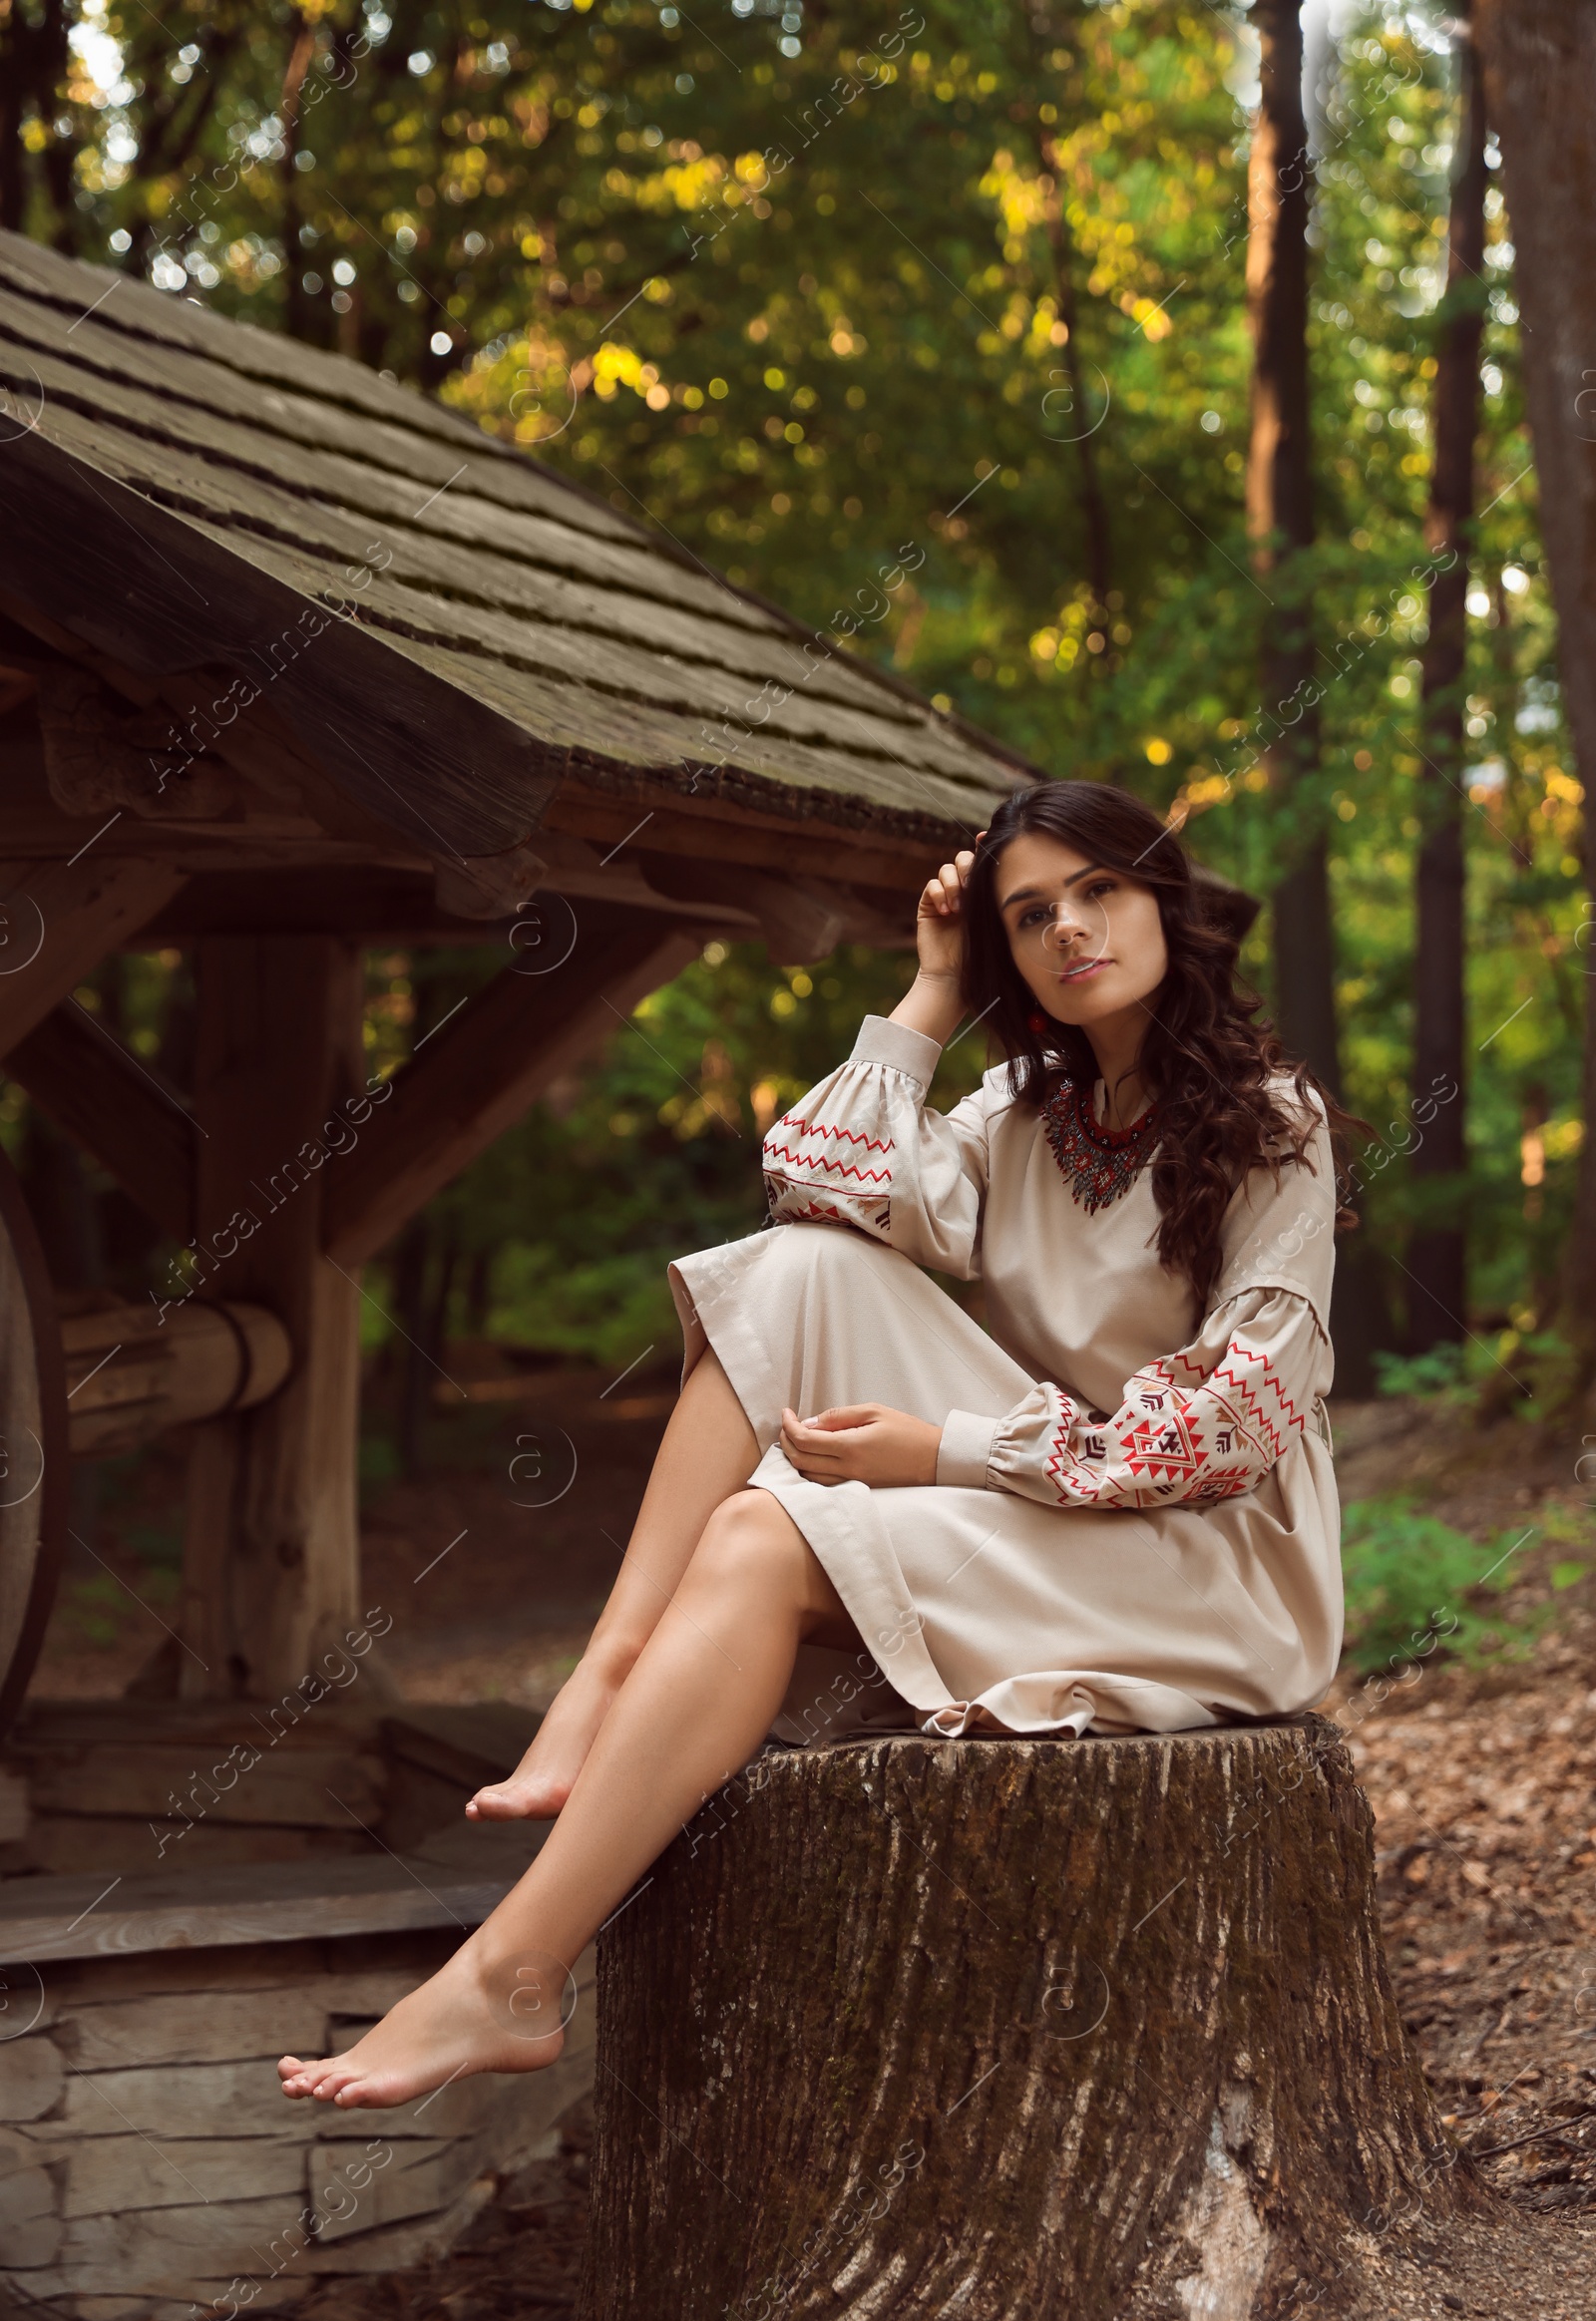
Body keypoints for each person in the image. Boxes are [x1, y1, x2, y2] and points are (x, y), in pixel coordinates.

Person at [278, 778, 1361, 2110]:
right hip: (1066, 1498)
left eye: (1100, 891)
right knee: (796, 1269)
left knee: (769, 1530)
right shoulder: (1023, 1112)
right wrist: (925, 994)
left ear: (1163, 903)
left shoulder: (1273, 1125)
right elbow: (810, 1183)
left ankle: (512, 1971)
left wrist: (949, 1453)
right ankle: (605, 1676)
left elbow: (1229, 1429)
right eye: (1029, 916)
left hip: (1210, 1564)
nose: (1070, 931)